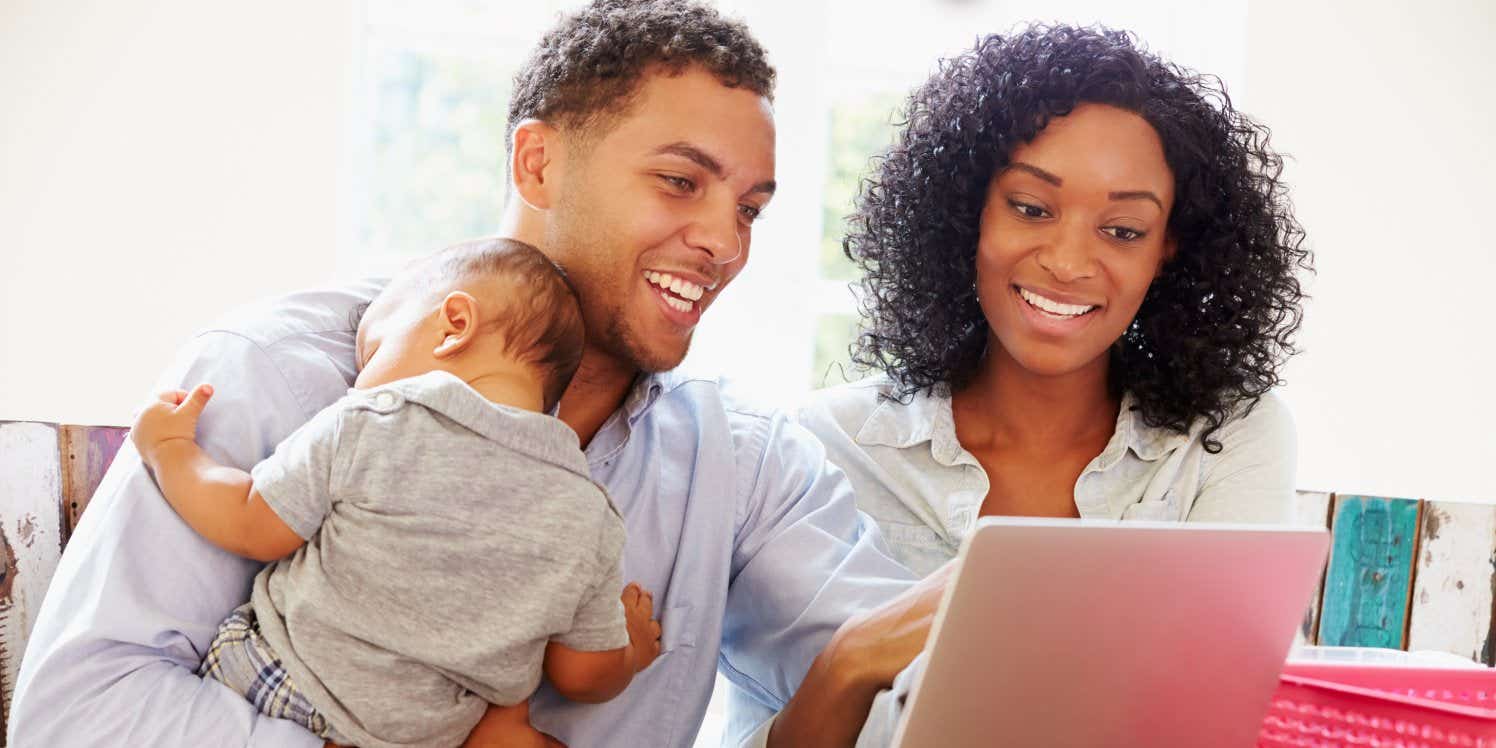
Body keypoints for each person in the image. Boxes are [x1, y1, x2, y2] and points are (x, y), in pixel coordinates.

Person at [9, 2, 939, 747]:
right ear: (538, 162)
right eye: (680, 182)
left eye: (750, 209)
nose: (723, 242)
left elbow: (904, 676)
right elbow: (80, 718)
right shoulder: (278, 376)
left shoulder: (739, 462)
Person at [795, 25, 1312, 742]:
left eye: (1123, 230)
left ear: (1168, 252)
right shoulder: (828, 447)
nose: (1068, 262)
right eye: (1031, 209)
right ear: (966, 212)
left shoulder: (1225, 440)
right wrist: (849, 662)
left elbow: (1226, 720)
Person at [128, 239, 665, 747]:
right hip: (423, 734)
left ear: (453, 326)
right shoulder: (589, 515)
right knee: (508, 693)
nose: (360, 377)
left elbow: (249, 522)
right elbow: (581, 673)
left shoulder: (375, 420)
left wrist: (171, 450)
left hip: (281, 682)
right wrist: (632, 652)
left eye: (373, 351)